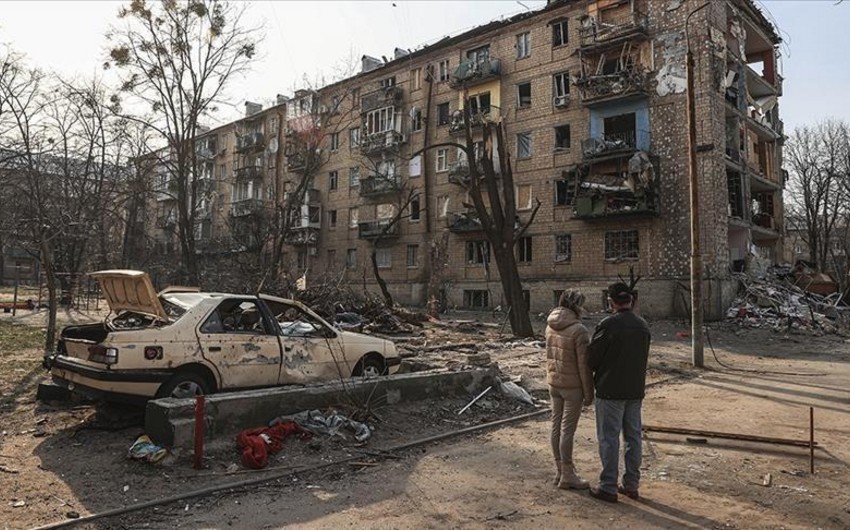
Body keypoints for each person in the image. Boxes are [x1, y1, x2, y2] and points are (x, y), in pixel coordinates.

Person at [587, 282, 651, 503]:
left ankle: (608, 487)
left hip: (610, 389)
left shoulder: (608, 325)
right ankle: (631, 485)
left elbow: (591, 359)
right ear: (631, 301)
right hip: (635, 390)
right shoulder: (642, 326)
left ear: (611, 302)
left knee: (609, 439)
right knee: (633, 437)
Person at [545, 289, 594, 490]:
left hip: (554, 383)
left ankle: (559, 470)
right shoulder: (578, 330)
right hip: (572, 387)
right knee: (568, 430)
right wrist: (589, 393)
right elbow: (584, 366)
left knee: (556, 427)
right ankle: (568, 473)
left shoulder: (550, 325)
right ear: (576, 305)